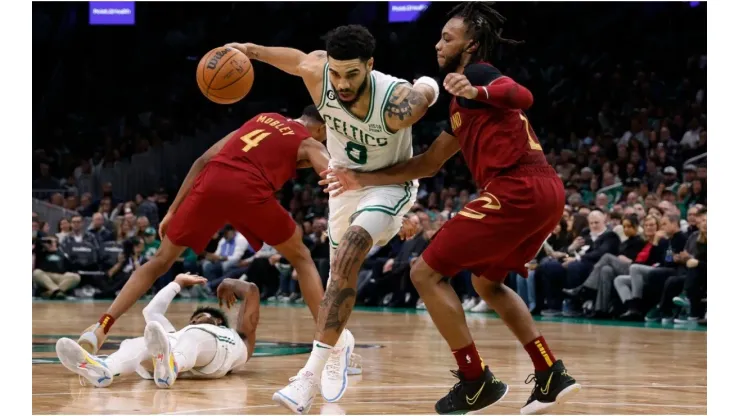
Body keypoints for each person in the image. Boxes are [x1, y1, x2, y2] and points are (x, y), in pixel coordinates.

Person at [322, 4, 580, 414]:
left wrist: (477, 89)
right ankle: (550, 373)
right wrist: (362, 179)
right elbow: (427, 163)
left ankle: (475, 380)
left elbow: (524, 95)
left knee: (424, 271)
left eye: (448, 37)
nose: (438, 43)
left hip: (517, 186)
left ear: (470, 44)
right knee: (486, 284)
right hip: (545, 191)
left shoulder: (477, 76)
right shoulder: (464, 104)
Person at [226, 24, 438, 411]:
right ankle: (340, 346)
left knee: (352, 249)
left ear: (370, 65)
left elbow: (425, 95)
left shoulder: (396, 102)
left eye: (352, 74)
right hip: (345, 186)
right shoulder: (321, 75)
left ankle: (309, 375)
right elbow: (297, 60)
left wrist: (426, 84)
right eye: (336, 73)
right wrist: (251, 49)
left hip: (390, 184)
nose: (341, 83)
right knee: (337, 275)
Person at [76, 106, 333, 364]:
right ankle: (331, 347)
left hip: (212, 182)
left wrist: (172, 210)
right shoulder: (310, 143)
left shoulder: (260, 119)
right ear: (321, 128)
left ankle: (101, 328)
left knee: (159, 261)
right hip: (248, 191)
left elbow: (203, 160)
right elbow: (333, 178)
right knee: (302, 258)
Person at [56, 274, 256, 388]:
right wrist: (176, 282)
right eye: (193, 319)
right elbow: (151, 311)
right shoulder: (175, 335)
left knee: (191, 336)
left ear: (219, 321)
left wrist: (228, 283)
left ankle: (171, 365)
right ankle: (105, 369)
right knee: (136, 343)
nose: (195, 320)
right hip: (174, 361)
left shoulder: (239, 338)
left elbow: (252, 291)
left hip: (211, 360)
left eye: (200, 317)